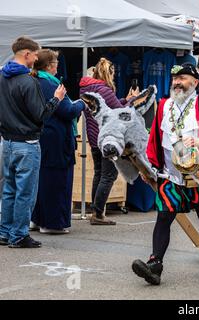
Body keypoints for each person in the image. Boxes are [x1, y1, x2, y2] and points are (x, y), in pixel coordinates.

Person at [131, 63, 199, 285]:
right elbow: (155, 138)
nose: (177, 82)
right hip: (170, 175)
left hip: (198, 177)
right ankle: (155, 264)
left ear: (194, 83)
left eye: (183, 78)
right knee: (164, 216)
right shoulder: (164, 105)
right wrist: (150, 167)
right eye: (175, 78)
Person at [0, 36, 65, 248]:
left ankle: (5, 232)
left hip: (7, 141)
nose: (37, 58)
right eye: (35, 54)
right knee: (25, 192)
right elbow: (41, 115)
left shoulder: (2, 76)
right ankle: (18, 235)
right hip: (27, 143)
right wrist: (56, 98)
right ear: (26, 54)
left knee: (9, 189)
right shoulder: (29, 81)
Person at [30, 49, 86, 234]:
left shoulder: (35, 80)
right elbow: (66, 110)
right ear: (49, 66)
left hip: (42, 137)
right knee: (57, 181)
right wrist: (81, 104)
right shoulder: (49, 83)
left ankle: (37, 219)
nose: (58, 66)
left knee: (42, 180)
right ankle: (52, 223)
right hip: (56, 139)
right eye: (55, 62)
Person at [79, 58, 138, 225]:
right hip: (107, 137)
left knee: (99, 173)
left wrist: (125, 99)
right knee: (109, 175)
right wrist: (132, 100)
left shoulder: (88, 88)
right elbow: (118, 110)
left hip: (93, 135)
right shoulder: (104, 90)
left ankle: (95, 211)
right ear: (109, 73)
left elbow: (113, 105)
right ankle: (98, 213)